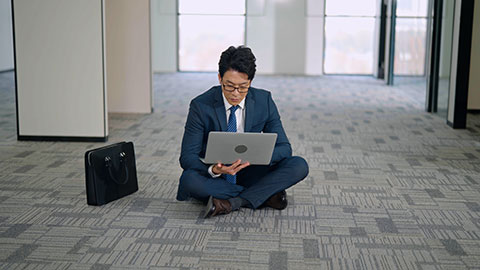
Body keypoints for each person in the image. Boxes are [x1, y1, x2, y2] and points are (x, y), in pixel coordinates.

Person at [176, 45, 309, 218]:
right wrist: (215, 170)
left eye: (243, 87)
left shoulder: (264, 100)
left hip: (250, 169)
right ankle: (264, 195)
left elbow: (284, 148)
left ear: (250, 82)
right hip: (217, 175)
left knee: (298, 165)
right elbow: (187, 157)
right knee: (189, 181)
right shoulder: (201, 106)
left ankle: (232, 202)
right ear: (219, 78)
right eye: (229, 86)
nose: (236, 94)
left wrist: (255, 157)